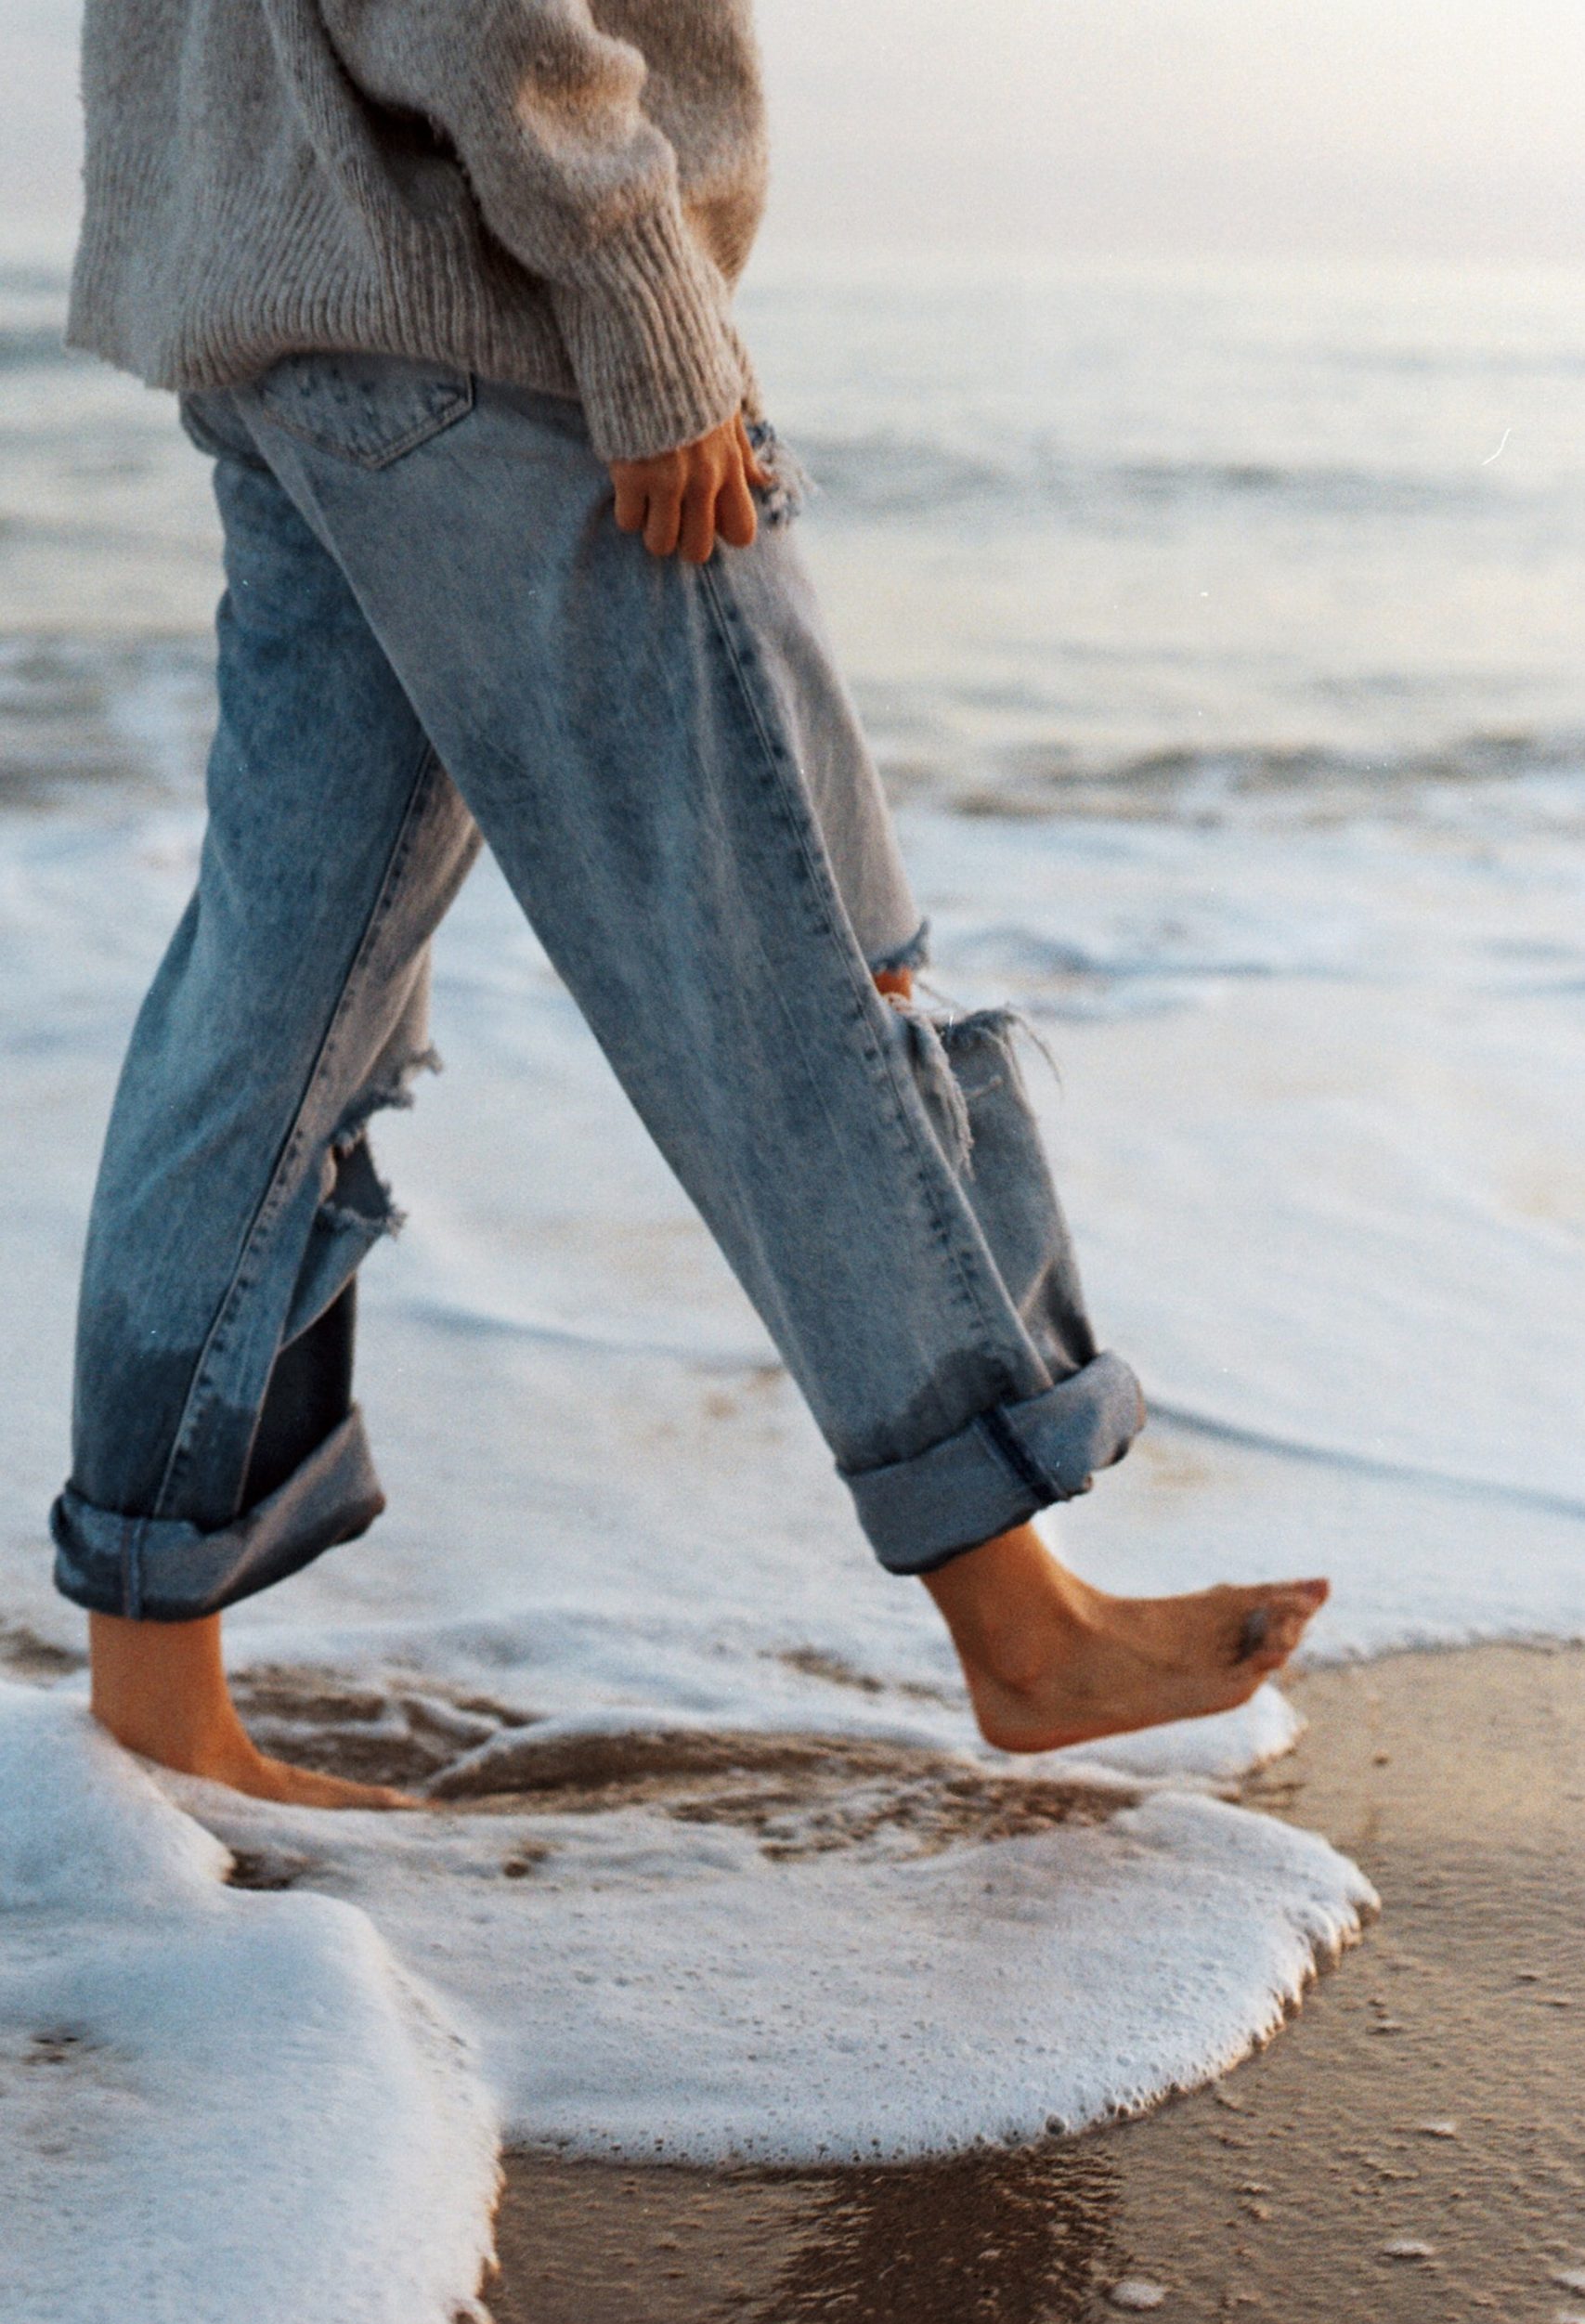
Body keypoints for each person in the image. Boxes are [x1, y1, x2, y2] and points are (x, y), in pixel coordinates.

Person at [55, 0, 1326, 1808]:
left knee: (264, 1012)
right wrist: (644, 306)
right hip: (476, 316)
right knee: (790, 954)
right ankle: (1018, 1623)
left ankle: (153, 1683)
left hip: (282, 316)